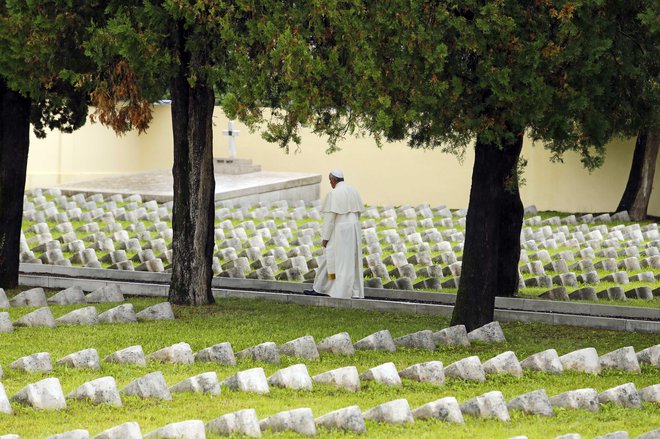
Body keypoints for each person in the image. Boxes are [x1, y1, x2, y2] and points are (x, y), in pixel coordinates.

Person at [304, 169, 365, 299]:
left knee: (330, 258)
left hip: (339, 231)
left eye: (330, 180)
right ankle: (351, 291)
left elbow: (330, 219)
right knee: (349, 262)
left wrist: (325, 238)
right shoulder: (353, 191)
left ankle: (322, 288)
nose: (330, 183)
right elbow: (358, 213)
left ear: (333, 180)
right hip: (353, 231)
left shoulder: (334, 193)